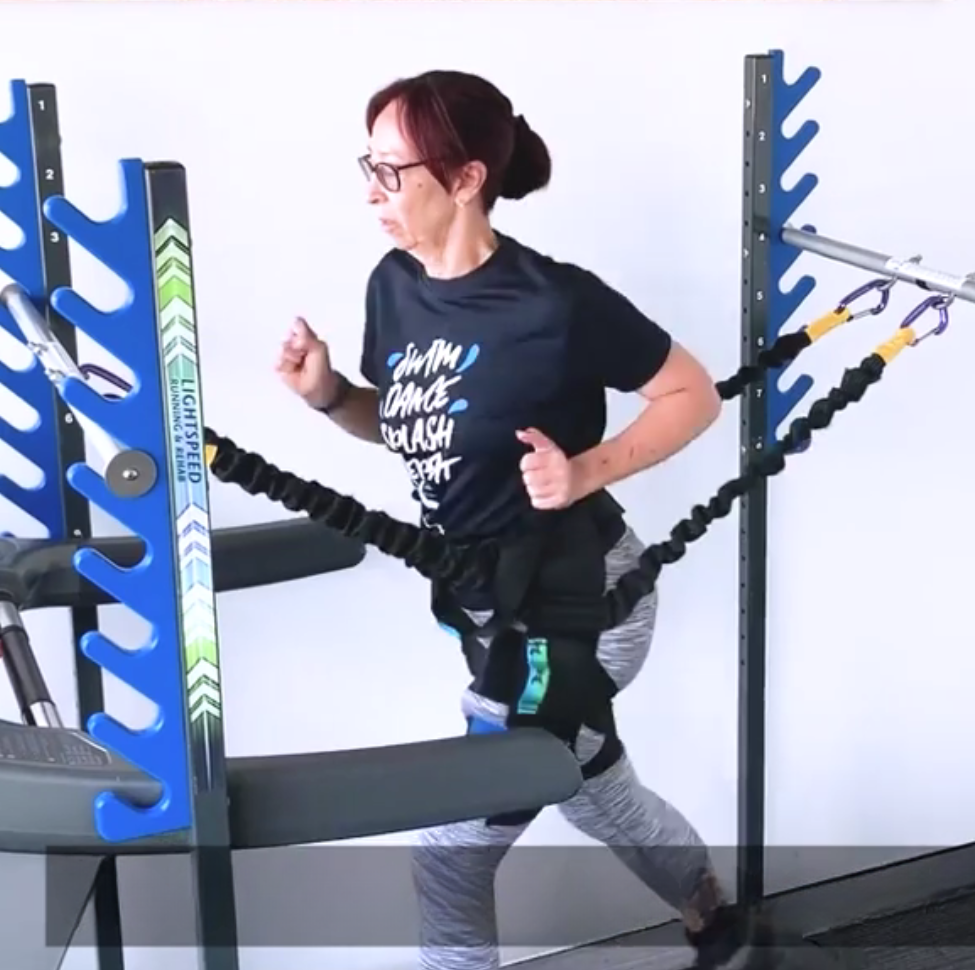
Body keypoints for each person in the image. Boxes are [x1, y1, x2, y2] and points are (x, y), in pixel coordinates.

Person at [274, 69, 771, 970]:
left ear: (465, 178)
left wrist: (585, 469)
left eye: (392, 170)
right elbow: (417, 428)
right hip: (489, 603)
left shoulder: (556, 301)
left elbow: (690, 394)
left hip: (582, 603)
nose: (370, 190)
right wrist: (331, 397)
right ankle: (716, 920)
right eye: (369, 164)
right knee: (590, 790)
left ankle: (717, 922)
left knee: (447, 851)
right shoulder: (393, 284)